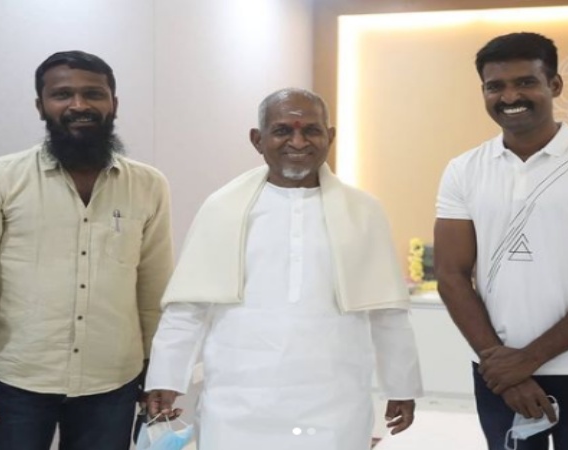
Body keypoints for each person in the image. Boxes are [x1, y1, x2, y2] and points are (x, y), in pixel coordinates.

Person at [143, 88, 422, 450]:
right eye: (282, 131)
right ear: (257, 140)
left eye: (311, 130)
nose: (298, 141)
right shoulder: (222, 208)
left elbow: (388, 312)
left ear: (330, 137)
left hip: (334, 402)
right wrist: (166, 378)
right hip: (238, 403)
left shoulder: (363, 212)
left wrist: (401, 386)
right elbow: (187, 308)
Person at [0, 50, 174, 450]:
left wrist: (160, 371)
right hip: (18, 382)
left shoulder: (149, 185)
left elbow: (154, 286)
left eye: (93, 94)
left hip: (112, 383)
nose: (78, 105)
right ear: (40, 106)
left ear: (113, 103)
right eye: (62, 95)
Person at [434, 32, 568, 449]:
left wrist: (527, 359)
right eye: (495, 86)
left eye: (525, 82)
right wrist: (501, 364)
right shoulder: (464, 169)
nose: (509, 95)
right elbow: (451, 274)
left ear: (554, 85)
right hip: (497, 371)